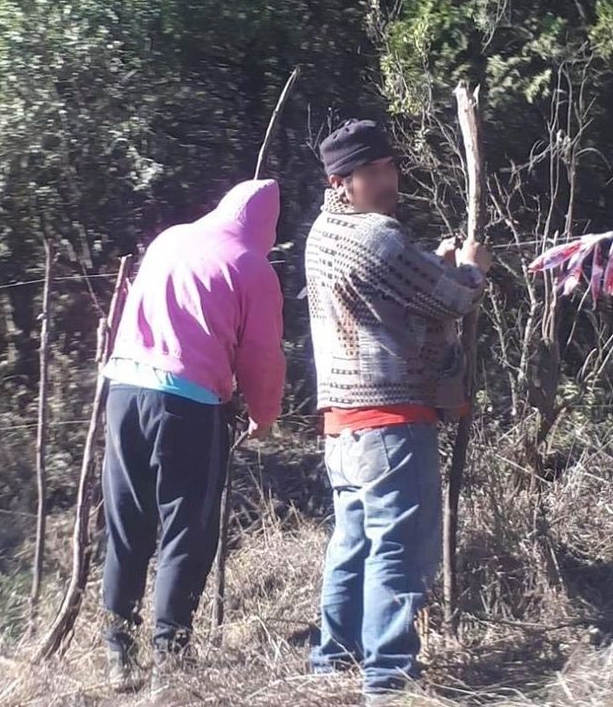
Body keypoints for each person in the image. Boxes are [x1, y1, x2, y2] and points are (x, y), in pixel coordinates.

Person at [304, 119, 491, 701]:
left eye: (390, 166)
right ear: (343, 181)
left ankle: (332, 659)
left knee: (353, 543)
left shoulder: (321, 234)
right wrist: (472, 266)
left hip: (342, 424)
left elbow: (391, 293)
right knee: (399, 548)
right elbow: (452, 297)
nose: (392, 178)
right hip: (391, 420)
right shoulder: (379, 235)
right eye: (378, 170)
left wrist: (432, 266)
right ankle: (387, 679)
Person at [100, 179, 286, 694]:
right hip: (190, 405)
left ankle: (118, 651)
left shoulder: (170, 238)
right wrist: (263, 415)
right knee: (187, 527)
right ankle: (170, 655)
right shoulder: (254, 267)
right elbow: (262, 357)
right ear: (267, 227)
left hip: (123, 391)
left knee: (126, 521)